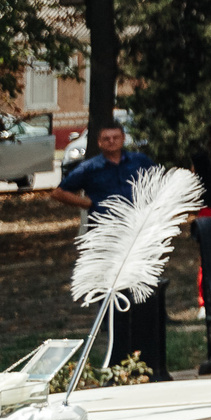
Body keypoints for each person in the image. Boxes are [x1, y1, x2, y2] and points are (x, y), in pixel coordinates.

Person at [49, 122, 174, 380]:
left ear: (123, 138)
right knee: (112, 282)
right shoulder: (90, 168)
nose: (111, 142)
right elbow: (59, 192)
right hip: (107, 234)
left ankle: (147, 324)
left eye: (115, 137)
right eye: (106, 138)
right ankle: (112, 325)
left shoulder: (139, 162)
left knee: (143, 278)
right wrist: (88, 203)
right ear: (99, 142)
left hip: (138, 232)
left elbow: (160, 183)